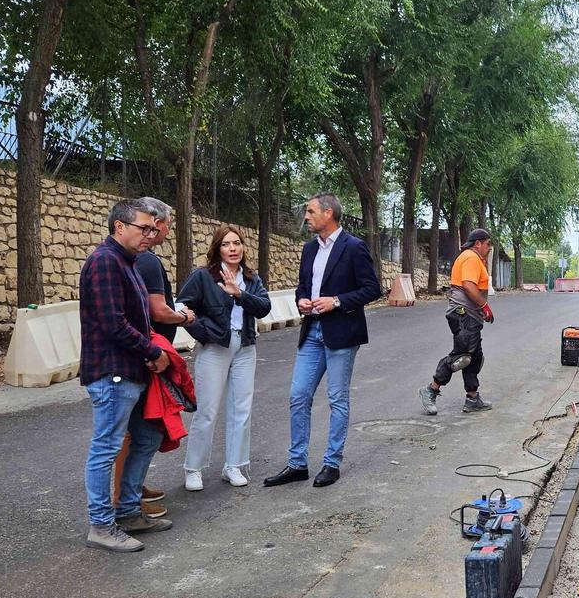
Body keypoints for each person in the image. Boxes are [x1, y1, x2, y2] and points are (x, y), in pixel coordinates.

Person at [264, 193, 381, 489]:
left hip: (341, 333)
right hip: (312, 331)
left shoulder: (354, 248)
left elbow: (372, 289)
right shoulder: (308, 249)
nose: (306, 216)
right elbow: (303, 287)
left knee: (337, 399)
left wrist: (337, 301)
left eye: (311, 211)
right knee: (298, 395)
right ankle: (297, 463)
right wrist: (302, 300)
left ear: (328, 213)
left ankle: (332, 463)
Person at [78, 199, 174, 552]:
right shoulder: (105, 261)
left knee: (147, 436)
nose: (151, 235)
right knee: (106, 447)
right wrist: (153, 352)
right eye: (144, 228)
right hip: (112, 372)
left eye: (153, 229)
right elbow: (113, 324)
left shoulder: (128, 262)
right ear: (120, 227)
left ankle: (130, 511)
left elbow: (137, 320)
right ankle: (101, 525)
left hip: (133, 370)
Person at [110, 196, 194, 517]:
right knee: (136, 432)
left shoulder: (137, 261)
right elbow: (155, 310)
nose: (165, 231)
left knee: (140, 431)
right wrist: (184, 318)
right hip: (144, 358)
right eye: (164, 225)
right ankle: (123, 499)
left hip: (144, 355)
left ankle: (131, 491)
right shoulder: (143, 261)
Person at [177, 225, 272, 490]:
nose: (233, 249)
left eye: (237, 243)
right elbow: (182, 307)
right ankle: (193, 468)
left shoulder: (251, 279)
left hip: (245, 345)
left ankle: (234, 465)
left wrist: (240, 294)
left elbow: (264, 307)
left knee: (241, 408)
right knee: (207, 410)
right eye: (226, 244)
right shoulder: (203, 277)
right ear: (217, 249)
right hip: (216, 346)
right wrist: (202, 332)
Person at [419, 228, 495, 415]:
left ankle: (472, 398)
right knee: (462, 357)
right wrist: (484, 306)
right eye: (487, 244)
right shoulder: (470, 257)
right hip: (463, 314)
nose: (489, 248)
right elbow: (468, 285)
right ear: (477, 243)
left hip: (470, 315)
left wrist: (480, 310)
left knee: (475, 357)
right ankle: (430, 389)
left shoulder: (474, 258)